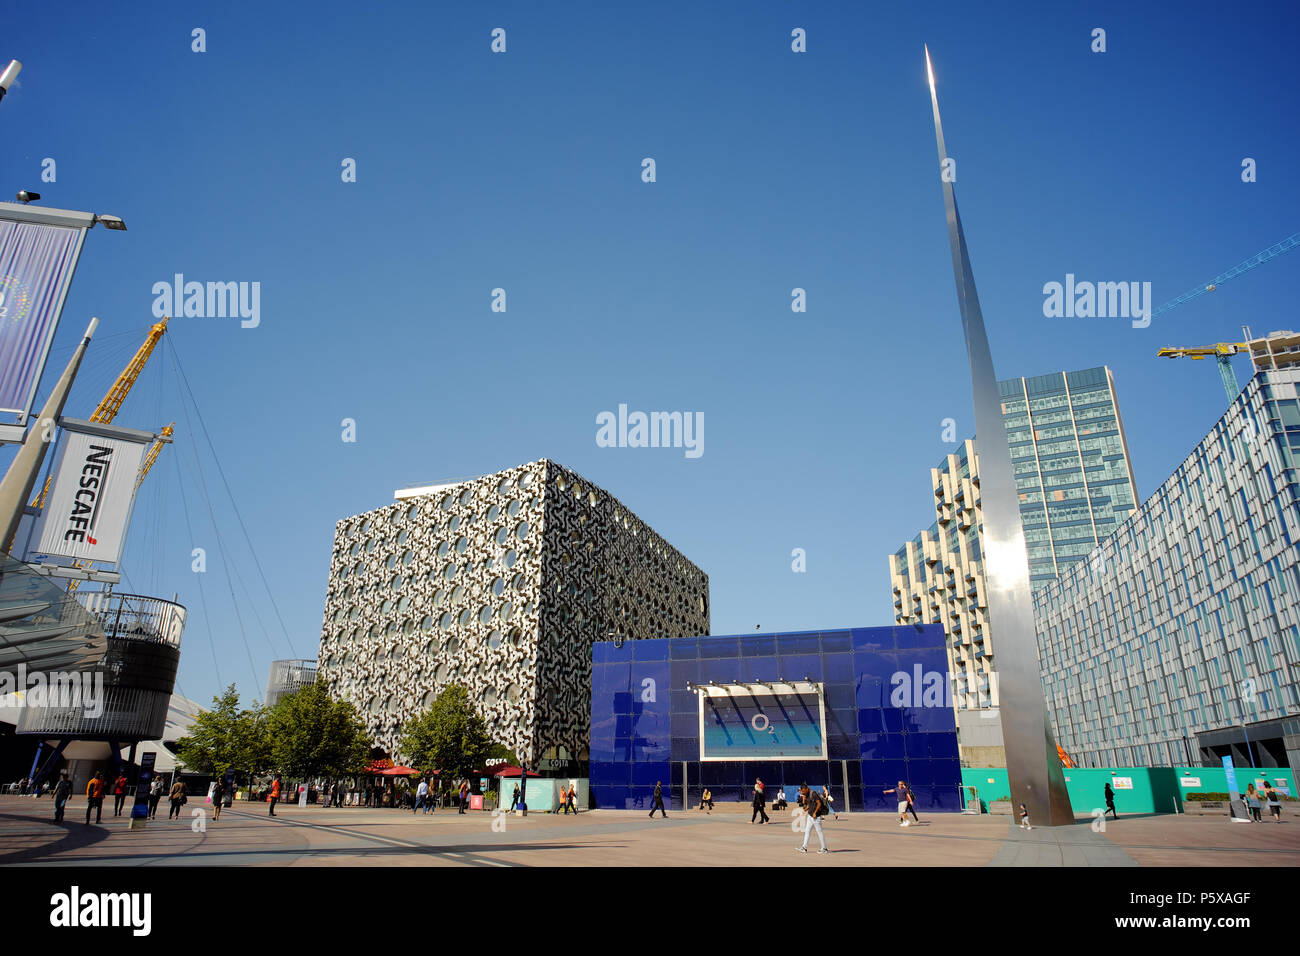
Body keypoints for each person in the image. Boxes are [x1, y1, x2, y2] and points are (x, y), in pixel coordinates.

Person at [796, 784, 829, 854]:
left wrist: (815, 812)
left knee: (819, 832)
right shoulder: (807, 794)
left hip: (815, 816)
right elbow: (810, 804)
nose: (803, 793)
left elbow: (819, 803)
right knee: (807, 831)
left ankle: (824, 848)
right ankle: (804, 847)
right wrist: (806, 809)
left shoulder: (813, 793)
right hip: (810, 816)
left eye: (803, 791)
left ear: (806, 788)